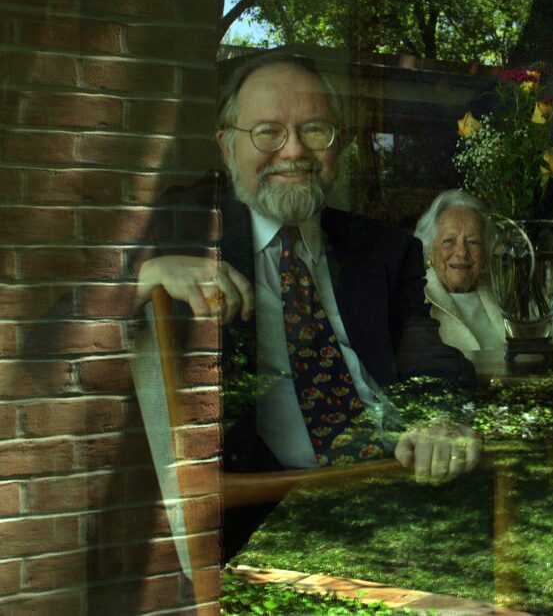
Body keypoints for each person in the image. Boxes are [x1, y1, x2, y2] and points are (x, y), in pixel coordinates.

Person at [131, 53, 478, 561]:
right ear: (226, 146)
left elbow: (428, 354)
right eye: (267, 131)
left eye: (314, 130)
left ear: (340, 146)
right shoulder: (180, 226)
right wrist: (145, 276)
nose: (293, 151)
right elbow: (52, 325)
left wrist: (436, 418)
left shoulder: (383, 250)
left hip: (395, 484)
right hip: (261, 512)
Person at [413, 189, 553, 355]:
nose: (462, 252)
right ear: (429, 250)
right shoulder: (415, 299)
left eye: (473, 242)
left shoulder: (509, 292)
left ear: (486, 251)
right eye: (449, 241)